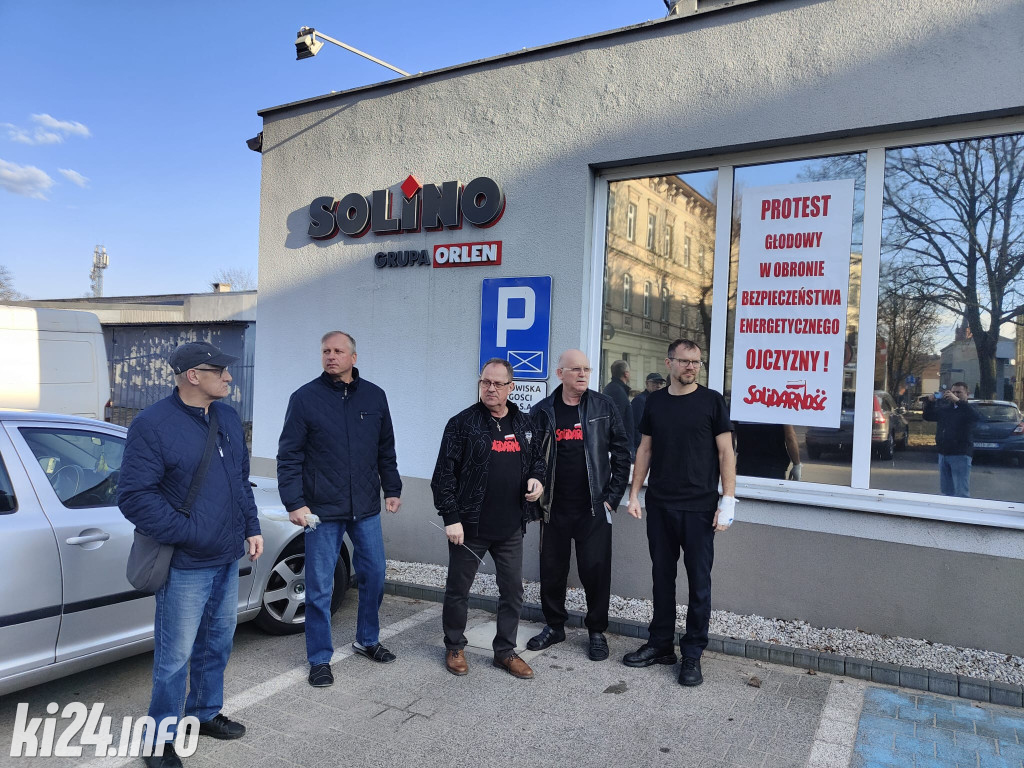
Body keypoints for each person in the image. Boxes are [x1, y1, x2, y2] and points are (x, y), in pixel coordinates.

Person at [118, 342, 263, 768]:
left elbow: (240, 480)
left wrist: (250, 527)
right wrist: (189, 533)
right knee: (175, 655)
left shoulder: (228, 418)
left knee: (217, 643)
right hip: (185, 564)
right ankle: (160, 738)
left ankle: (204, 713)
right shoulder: (152, 424)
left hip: (226, 556)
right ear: (192, 376)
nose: (229, 377)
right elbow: (134, 496)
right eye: (219, 370)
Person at [277, 331, 402, 688]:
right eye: (326, 351)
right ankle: (319, 658)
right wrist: (295, 502)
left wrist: (391, 488)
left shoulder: (375, 397)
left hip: (364, 506)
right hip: (321, 510)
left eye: (338, 351)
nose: (331, 356)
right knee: (319, 587)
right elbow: (289, 456)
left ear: (353, 357)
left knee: (375, 574)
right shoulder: (304, 399)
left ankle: (367, 639)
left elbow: (385, 449)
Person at [624, 338, 736, 688]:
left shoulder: (711, 401)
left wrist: (728, 501)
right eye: (685, 361)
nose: (691, 367)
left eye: (696, 362)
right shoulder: (654, 403)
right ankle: (660, 645)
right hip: (660, 504)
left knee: (699, 584)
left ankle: (692, 653)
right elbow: (645, 449)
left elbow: (726, 453)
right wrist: (634, 494)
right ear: (669, 362)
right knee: (661, 577)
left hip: (700, 507)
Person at [431, 358, 546, 679]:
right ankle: (454, 646)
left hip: (511, 527)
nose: (490, 388)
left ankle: (505, 652)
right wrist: (451, 517)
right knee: (458, 590)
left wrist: (537, 480)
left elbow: (538, 460)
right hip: (469, 527)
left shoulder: (525, 424)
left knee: (512, 593)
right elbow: (443, 476)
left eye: (497, 383)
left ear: (512, 388)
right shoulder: (462, 423)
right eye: (485, 382)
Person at [528, 350, 631, 661]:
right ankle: (554, 626)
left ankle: (596, 631)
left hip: (593, 508)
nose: (583, 374)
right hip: (554, 508)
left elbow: (623, 451)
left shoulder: (603, 405)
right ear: (560, 374)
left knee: (596, 572)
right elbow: (532, 457)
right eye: (576, 370)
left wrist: (612, 498)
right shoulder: (543, 411)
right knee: (552, 571)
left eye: (586, 369)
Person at [922, 381, 979, 497]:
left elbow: (975, 417)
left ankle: (961, 513)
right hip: (943, 454)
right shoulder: (946, 409)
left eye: (959, 392)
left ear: (967, 394)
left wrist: (958, 401)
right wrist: (930, 402)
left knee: (961, 491)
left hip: (960, 454)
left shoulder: (967, 409)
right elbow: (928, 416)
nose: (955, 395)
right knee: (946, 491)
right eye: (953, 392)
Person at [734, 422, 802, 480]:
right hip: (774, 465)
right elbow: (790, 437)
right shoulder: (778, 409)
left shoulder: (741, 408)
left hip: (745, 463)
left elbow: (730, 437)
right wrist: (796, 464)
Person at [602, 359, 635, 460]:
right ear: (626, 374)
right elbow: (617, 421)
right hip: (618, 449)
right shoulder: (617, 391)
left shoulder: (611, 389)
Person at [630, 372, 666, 451]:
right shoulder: (640, 400)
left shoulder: (658, 401)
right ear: (647, 383)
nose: (659, 386)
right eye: (655, 383)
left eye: (661, 383)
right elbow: (636, 427)